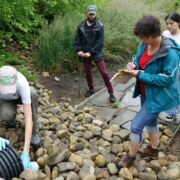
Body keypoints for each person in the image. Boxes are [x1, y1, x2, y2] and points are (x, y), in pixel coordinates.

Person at [115, 15, 180, 169]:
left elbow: (168, 79)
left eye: (143, 38)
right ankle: (154, 150)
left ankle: (130, 157)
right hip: (146, 91)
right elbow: (138, 59)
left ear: (152, 36)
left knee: (136, 126)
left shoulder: (170, 53)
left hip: (160, 96)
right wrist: (133, 65)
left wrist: (140, 74)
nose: (141, 41)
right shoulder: (144, 45)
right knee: (151, 121)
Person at [0, 65, 41, 170]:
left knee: (32, 93)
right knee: (6, 114)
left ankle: (34, 133)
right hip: (6, 100)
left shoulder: (21, 83)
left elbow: (28, 118)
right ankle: (10, 120)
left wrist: (26, 152)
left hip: (20, 96)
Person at [73, 5, 116, 103]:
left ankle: (111, 93)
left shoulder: (100, 26)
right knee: (88, 73)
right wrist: (78, 50)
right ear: (87, 14)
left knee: (104, 73)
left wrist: (90, 52)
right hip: (85, 53)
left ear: (95, 14)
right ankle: (91, 89)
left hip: (96, 52)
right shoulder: (81, 26)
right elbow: (77, 40)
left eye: (93, 14)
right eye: (90, 14)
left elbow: (99, 43)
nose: (91, 16)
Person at [161, 12, 180, 121]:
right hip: (166, 67)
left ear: (178, 23)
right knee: (168, 90)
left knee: (177, 90)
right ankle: (172, 112)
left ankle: (176, 112)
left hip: (178, 68)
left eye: (171, 23)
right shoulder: (165, 34)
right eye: (167, 23)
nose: (168, 26)